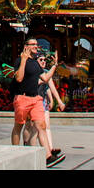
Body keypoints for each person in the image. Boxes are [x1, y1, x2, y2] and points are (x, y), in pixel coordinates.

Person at [11, 38, 61, 167]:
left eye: (36, 44)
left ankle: (48, 156)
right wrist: (23, 59)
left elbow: (44, 78)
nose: (35, 46)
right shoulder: (19, 61)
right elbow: (19, 78)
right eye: (32, 44)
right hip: (22, 98)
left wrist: (54, 66)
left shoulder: (35, 63)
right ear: (26, 46)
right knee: (18, 126)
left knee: (41, 126)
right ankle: (15, 153)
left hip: (36, 99)